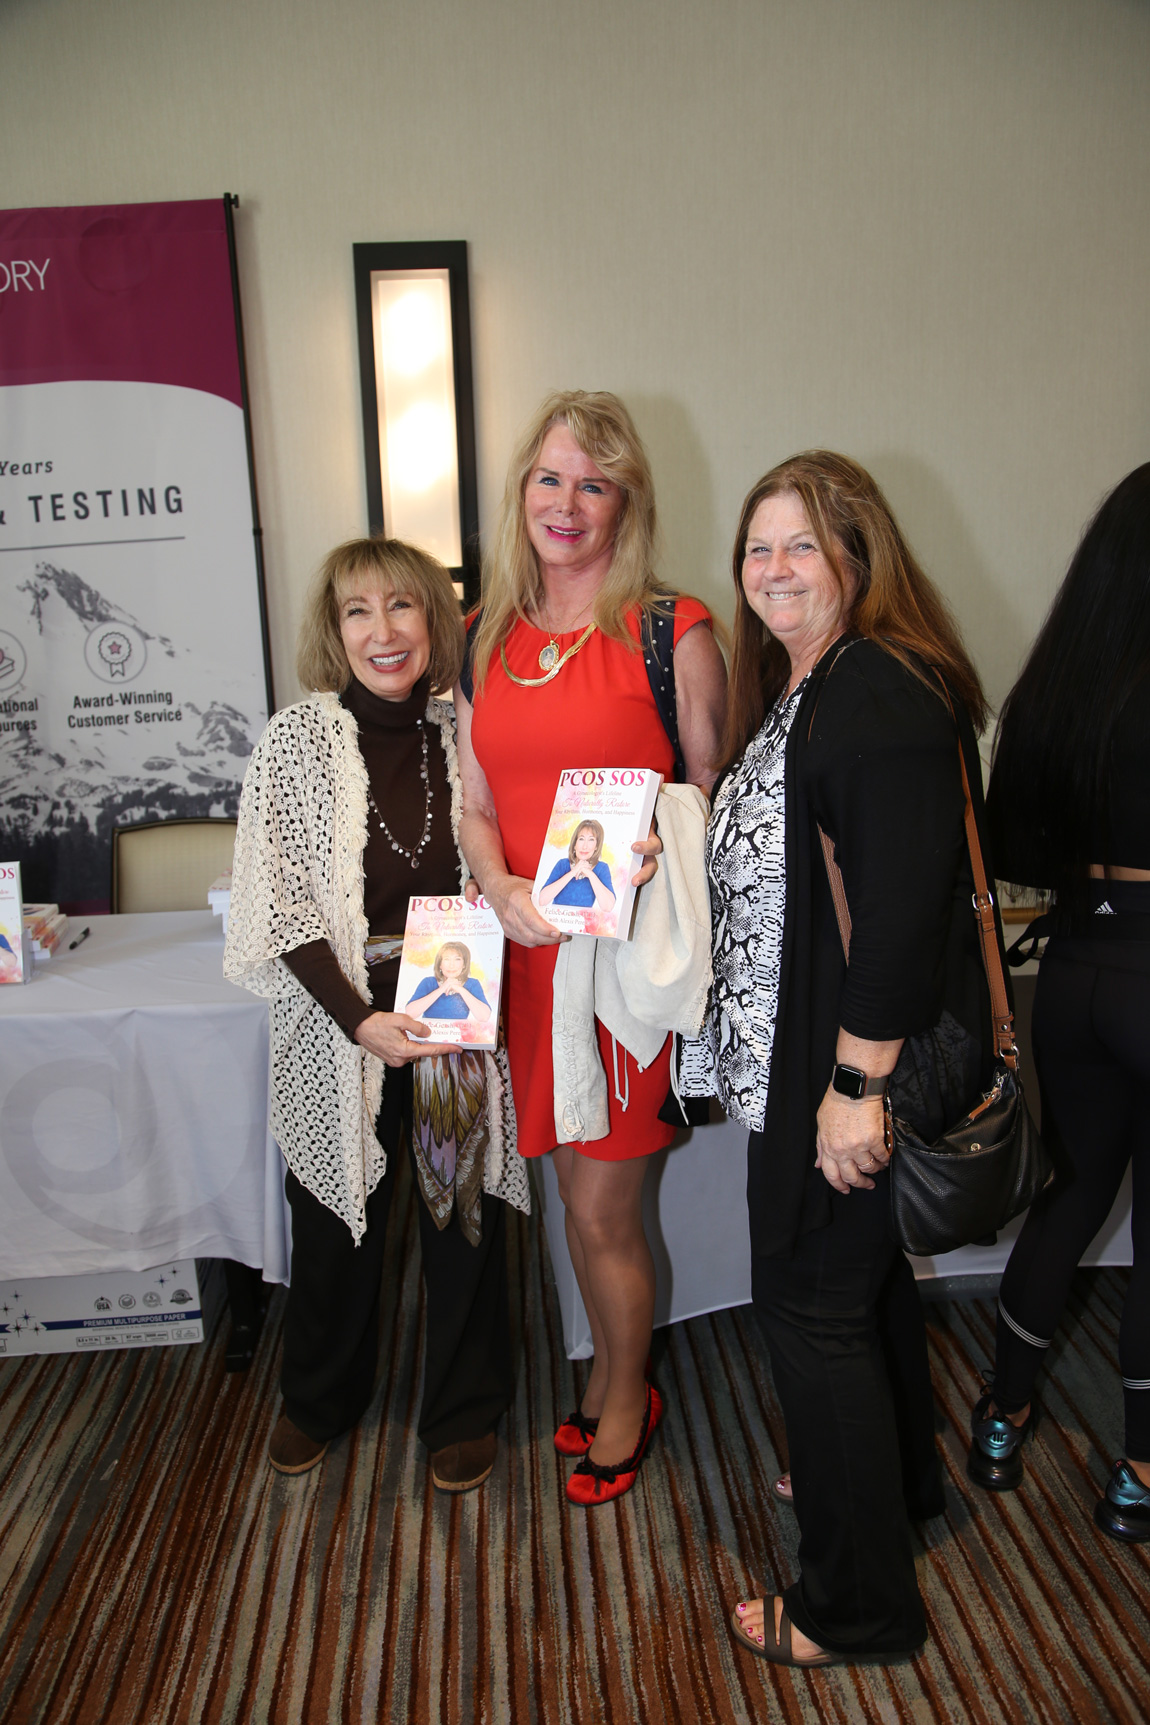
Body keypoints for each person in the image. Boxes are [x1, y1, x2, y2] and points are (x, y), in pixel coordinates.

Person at [680, 451, 992, 1665]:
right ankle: (895, 1489)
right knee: (856, 1295)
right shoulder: (812, 685)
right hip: (800, 1065)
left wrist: (855, 1089)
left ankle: (854, 1608)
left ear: (858, 558)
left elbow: (901, 918)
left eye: (800, 544)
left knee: (810, 1310)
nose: (771, 569)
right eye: (756, 547)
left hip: (838, 1073)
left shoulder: (875, 693)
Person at [455, 390, 727, 1505]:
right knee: (574, 1196)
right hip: (524, 962)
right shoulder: (486, 632)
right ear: (522, 490)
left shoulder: (672, 630)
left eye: (594, 484)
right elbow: (474, 801)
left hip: (619, 969)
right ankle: (615, 1374)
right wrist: (499, 885)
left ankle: (625, 1398)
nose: (566, 504)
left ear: (627, 503)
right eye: (550, 479)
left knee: (606, 1206)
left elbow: (712, 798)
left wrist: (667, 847)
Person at [224, 537, 528, 1491]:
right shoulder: (296, 743)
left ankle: (464, 1407)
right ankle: (320, 1397)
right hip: (337, 1021)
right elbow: (279, 904)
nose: (383, 630)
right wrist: (358, 1017)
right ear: (335, 629)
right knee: (331, 1219)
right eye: (358, 610)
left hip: (449, 1012)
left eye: (402, 605)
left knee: (461, 1213)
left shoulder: (466, 733)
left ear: (434, 621)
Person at [966, 464, 1150, 1545]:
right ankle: (1137, 1471)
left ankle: (1001, 1414)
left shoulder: (1056, 685)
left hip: (1076, 972)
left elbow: (1014, 849)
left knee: (1071, 1197)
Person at [537, 820, 617, 912]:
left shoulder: (601, 868)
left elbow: (608, 907)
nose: (585, 846)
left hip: (582, 920)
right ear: (574, 844)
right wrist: (573, 872)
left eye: (591, 840)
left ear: (596, 846)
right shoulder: (562, 864)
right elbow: (542, 900)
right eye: (581, 839)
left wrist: (590, 874)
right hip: (556, 918)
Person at [406, 942, 492, 1024]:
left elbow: (484, 1017)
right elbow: (410, 1014)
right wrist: (443, 988)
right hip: (428, 1032)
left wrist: (460, 989)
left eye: (457, 959)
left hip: (458, 1033)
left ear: (464, 964)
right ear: (440, 964)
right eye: (446, 959)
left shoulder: (472, 984)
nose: (451, 965)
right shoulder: (428, 982)